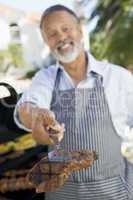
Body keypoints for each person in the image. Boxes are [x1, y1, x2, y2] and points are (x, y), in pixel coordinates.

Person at [14, 4, 133, 200]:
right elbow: (28, 106)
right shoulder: (45, 78)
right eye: (51, 34)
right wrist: (36, 117)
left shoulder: (117, 77)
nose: (60, 37)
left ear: (80, 30)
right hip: (62, 192)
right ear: (46, 41)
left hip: (113, 190)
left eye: (66, 28)